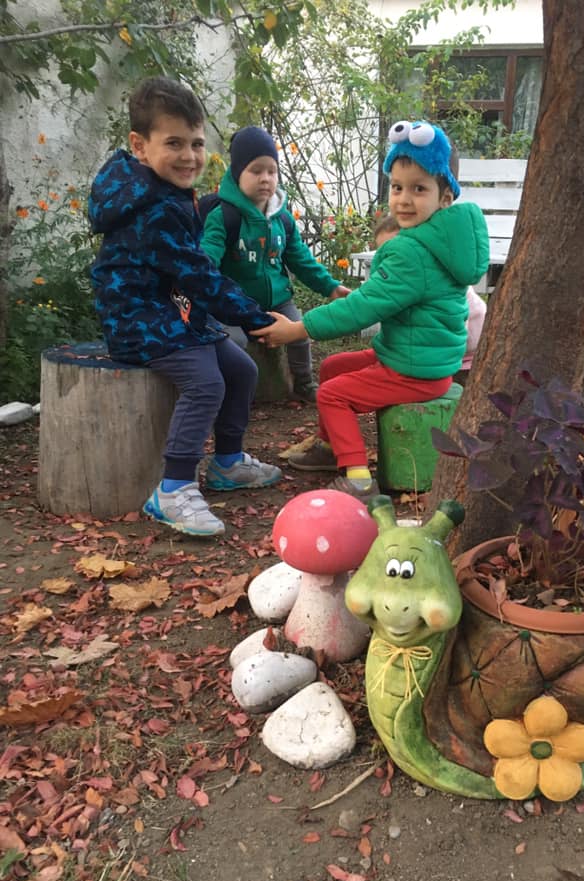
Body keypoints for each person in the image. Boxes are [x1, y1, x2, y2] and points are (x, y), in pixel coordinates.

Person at [250, 119, 490, 500]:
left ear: (445, 197)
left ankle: (358, 475)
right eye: (397, 187)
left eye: (419, 189)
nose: (404, 199)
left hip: (413, 368)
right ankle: (330, 448)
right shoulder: (442, 241)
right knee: (331, 368)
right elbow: (380, 298)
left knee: (332, 394)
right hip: (422, 357)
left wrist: (298, 329)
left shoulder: (412, 251)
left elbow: (364, 308)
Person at [88, 77, 284, 538]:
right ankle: (173, 487)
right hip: (136, 320)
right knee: (206, 382)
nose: (189, 156)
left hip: (170, 310)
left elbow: (184, 271)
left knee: (242, 371)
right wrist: (255, 317)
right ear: (140, 145)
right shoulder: (153, 207)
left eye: (196, 143)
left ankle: (228, 462)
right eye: (173, 143)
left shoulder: (159, 191)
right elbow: (199, 275)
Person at [200, 125, 351, 403]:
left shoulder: (281, 218)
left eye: (272, 171)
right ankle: (232, 396)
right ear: (237, 172)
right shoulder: (224, 216)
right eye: (256, 171)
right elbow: (206, 258)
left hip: (277, 301)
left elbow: (300, 258)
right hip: (234, 305)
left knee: (299, 330)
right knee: (233, 343)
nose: (265, 179)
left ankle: (303, 382)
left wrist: (330, 286)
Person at [372, 213, 487, 387]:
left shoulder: (443, 287)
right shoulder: (412, 281)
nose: (387, 262)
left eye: (394, 254)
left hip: (462, 362)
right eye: (383, 254)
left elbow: (452, 336)